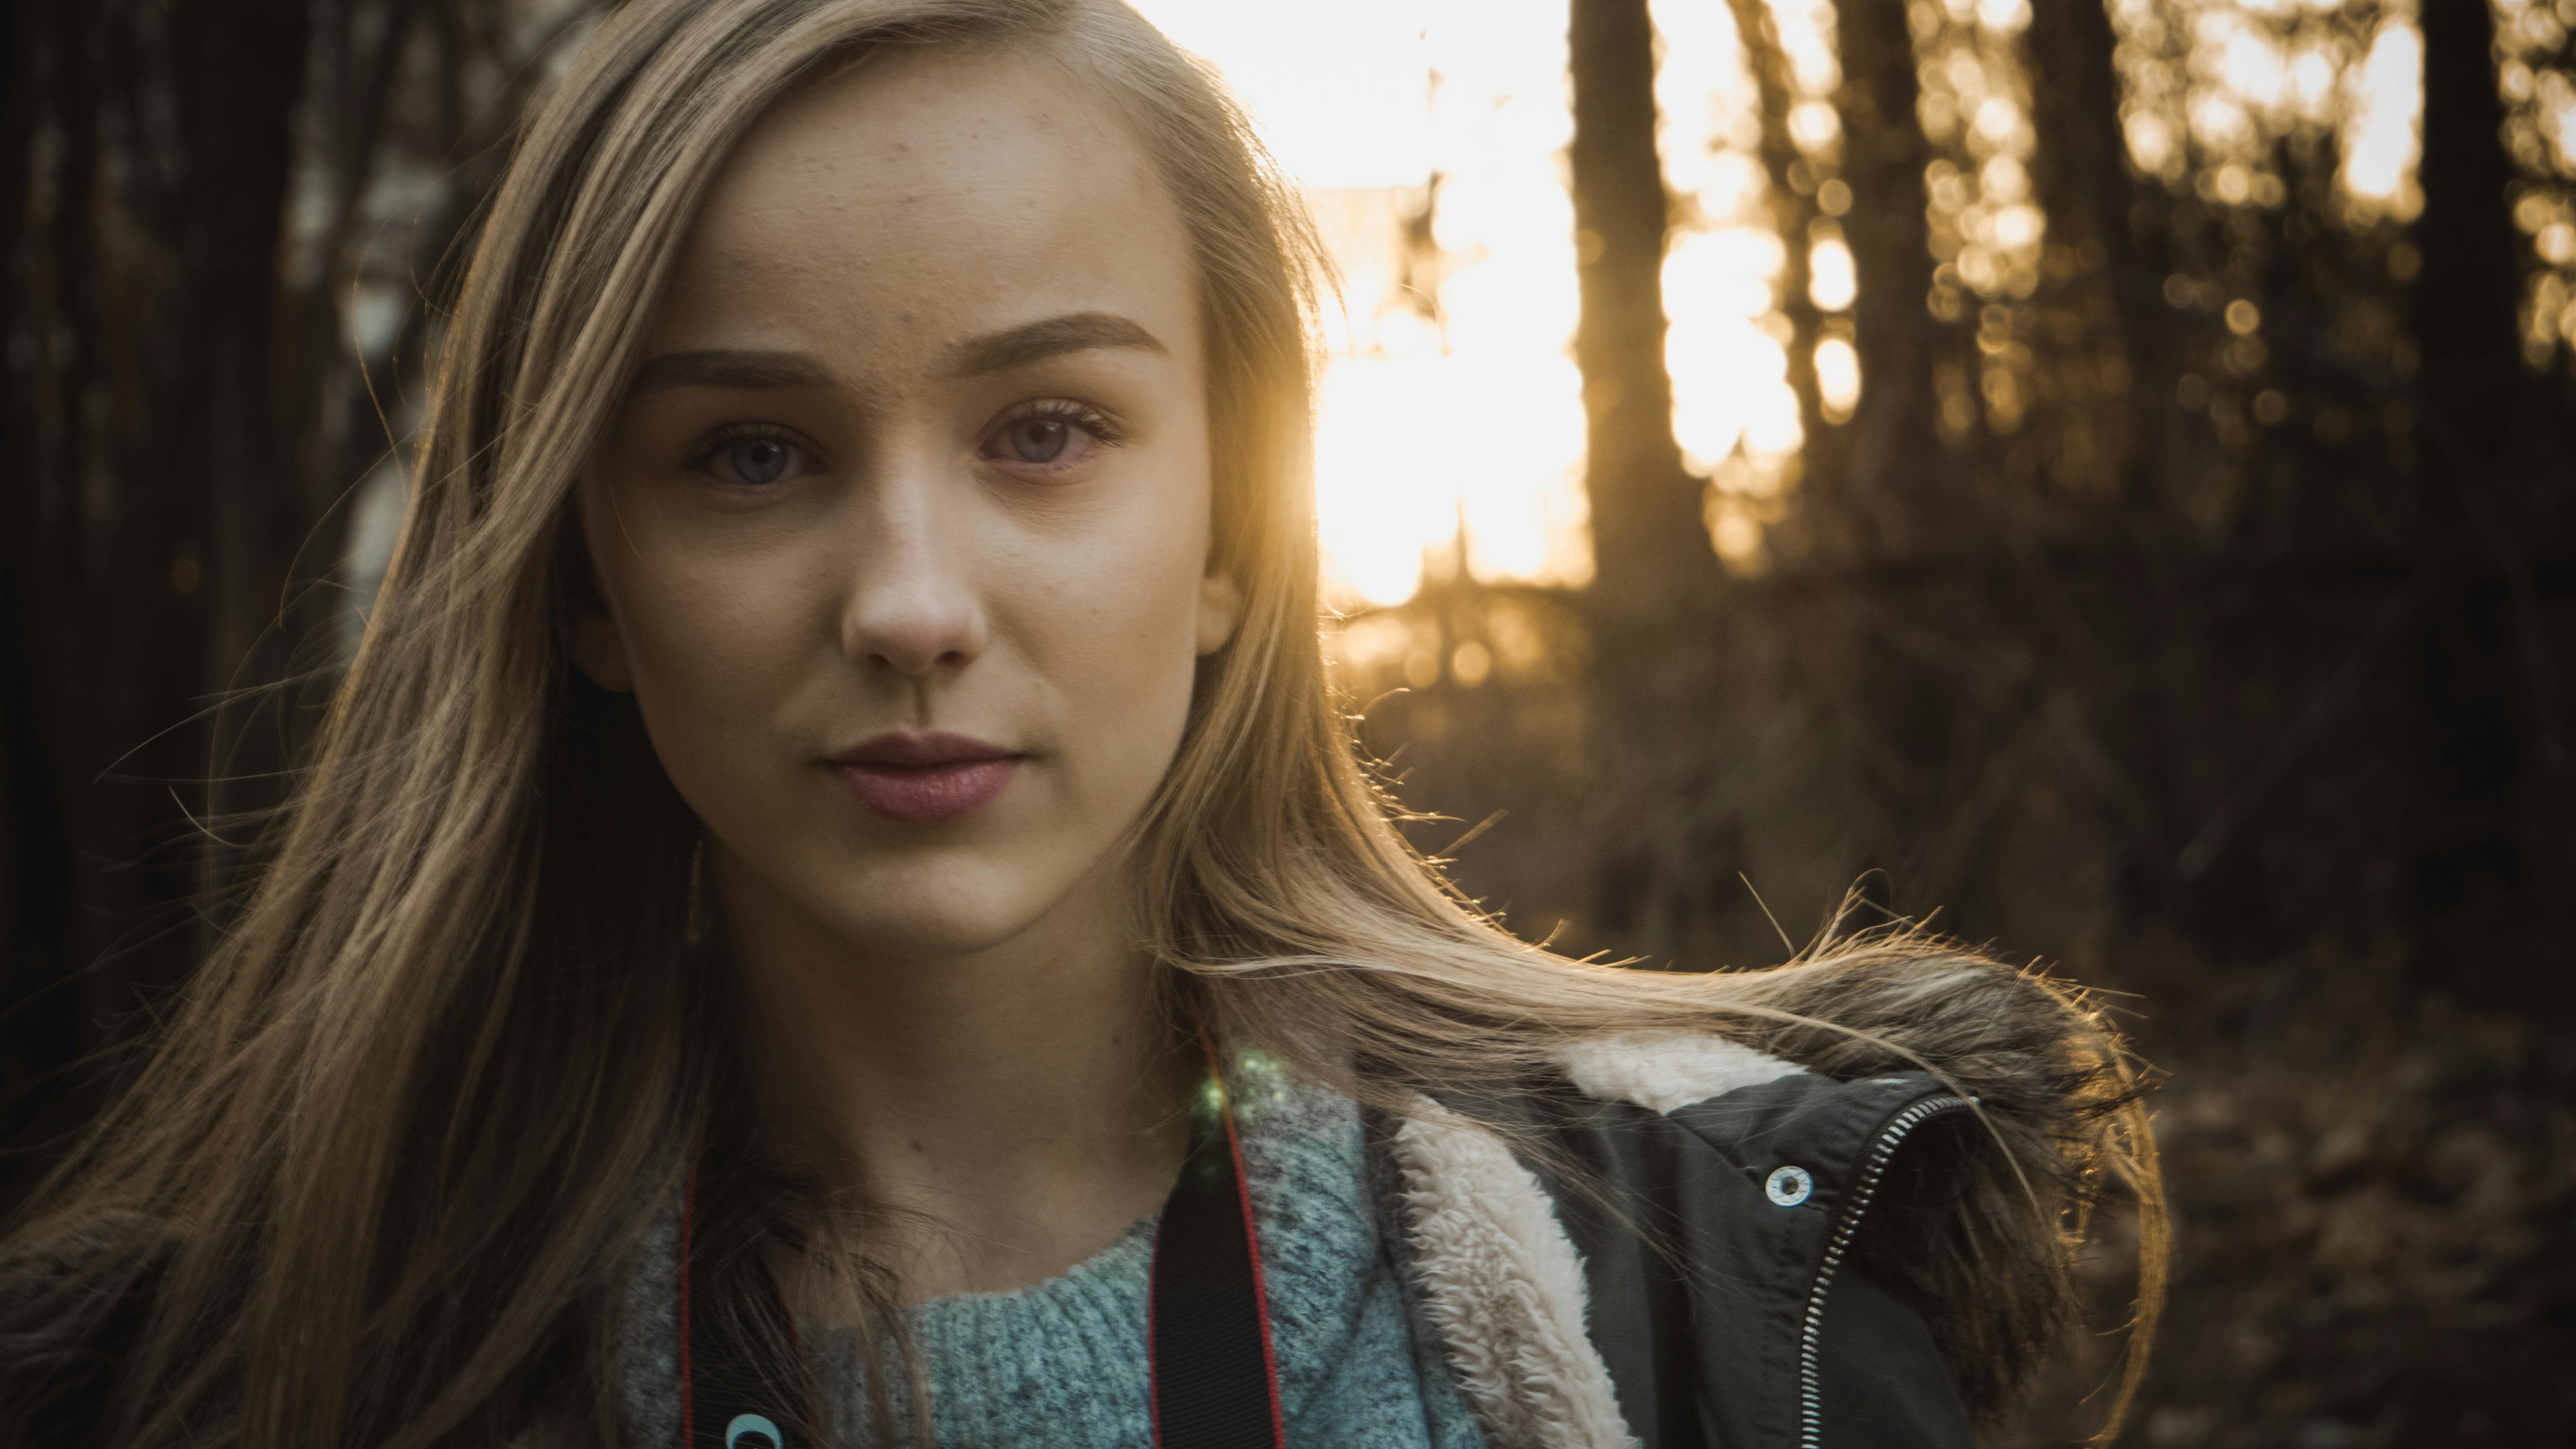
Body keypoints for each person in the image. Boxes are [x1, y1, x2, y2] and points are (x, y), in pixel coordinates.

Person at [0, 2, 2162, 1445]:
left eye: (1046, 428)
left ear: (1235, 534)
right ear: (585, 581)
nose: (910, 604)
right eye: (750, 454)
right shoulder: (246, 1379)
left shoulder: (1709, 1283)